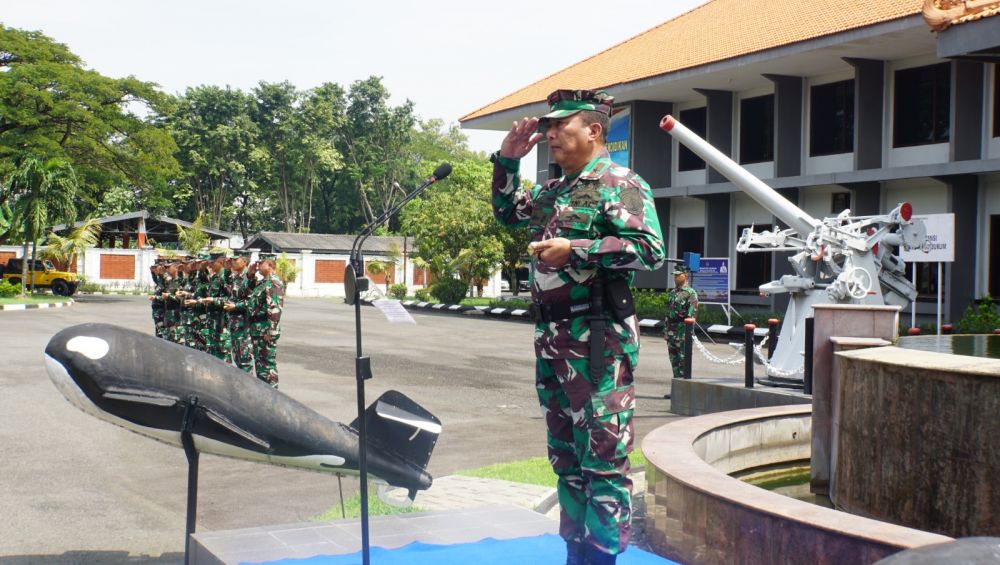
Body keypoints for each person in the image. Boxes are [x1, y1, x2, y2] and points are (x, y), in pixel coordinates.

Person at [491, 89, 665, 565]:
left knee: (604, 462)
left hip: (599, 345)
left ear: (593, 130)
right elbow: (507, 213)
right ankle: (575, 553)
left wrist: (578, 249)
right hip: (552, 343)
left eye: (559, 127)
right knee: (566, 459)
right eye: (547, 128)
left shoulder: (621, 182)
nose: (549, 136)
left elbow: (650, 250)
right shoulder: (553, 191)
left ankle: (603, 556)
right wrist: (507, 160)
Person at [663, 264, 699, 395]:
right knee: (674, 361)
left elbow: (692, 315)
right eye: (675, 275)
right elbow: (668, 313)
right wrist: (666, 331)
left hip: (682, 331)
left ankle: (684, 392)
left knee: (684, 361)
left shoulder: (690, 293)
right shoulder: (673, 293)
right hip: (671, 332)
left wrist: (687, 334)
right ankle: (676, 392)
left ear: (686, 276)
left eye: (679, 275)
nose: (676, 277)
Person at [248, 258, 283, 387]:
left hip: (265, 331)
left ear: (270, 265)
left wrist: (271, 332)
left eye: (261, 263)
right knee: (260, 366)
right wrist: (250, 275)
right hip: (258, 330)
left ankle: (273, 394)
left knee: (268, 366)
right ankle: (265, 393)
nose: (257, 265)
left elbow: (275, 308)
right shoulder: (263, 282)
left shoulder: (273, 282)